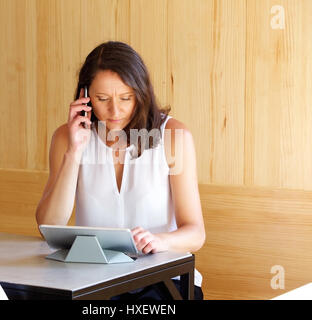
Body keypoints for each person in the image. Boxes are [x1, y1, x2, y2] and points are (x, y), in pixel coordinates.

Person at [35, 41, 205, 300]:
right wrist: (74, 152)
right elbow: (48, 224)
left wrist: (161, 241)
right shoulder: (66, 138)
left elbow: (195, 233)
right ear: (85, 96)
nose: (115, 111)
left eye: (126, 98)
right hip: (93, 281)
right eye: (102, 99)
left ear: (141, 93)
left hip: (162, 281)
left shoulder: (173, 137)